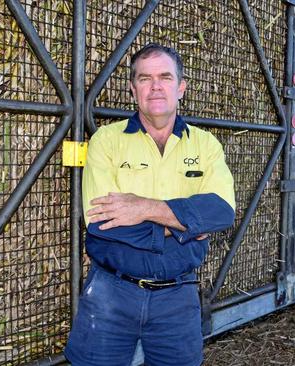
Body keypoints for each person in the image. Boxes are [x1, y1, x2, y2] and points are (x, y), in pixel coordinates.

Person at [64, 43, 235, 366]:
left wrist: (142, 207)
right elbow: (102, 224)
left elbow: (221, 211)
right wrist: (185, 226)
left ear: (181, 87)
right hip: (111, 293)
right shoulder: (106, 140)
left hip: (178, 296)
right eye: (145, 78)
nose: (156, 86)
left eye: (165, 77)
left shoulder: (205, 145)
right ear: (133, 89)